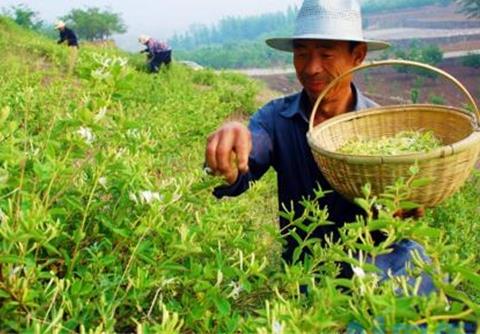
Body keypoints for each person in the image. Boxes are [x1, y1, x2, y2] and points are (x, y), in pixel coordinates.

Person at [205, 0, 435, 293]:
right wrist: (227, 152)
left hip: (380, 275)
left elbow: (406, 207)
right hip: (309, 277)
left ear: (358, 55)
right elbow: (242, 167)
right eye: (301, 53)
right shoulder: (276, 119)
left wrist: (406, 207)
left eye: (326, 53)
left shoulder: (383, 131)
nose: (311, 68)